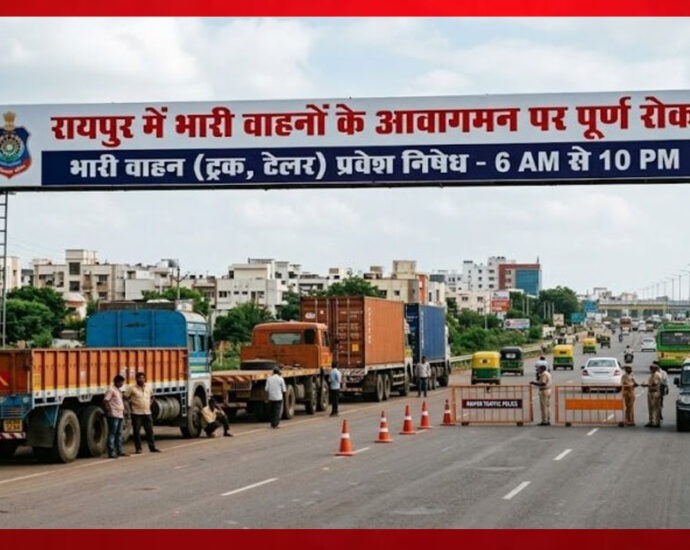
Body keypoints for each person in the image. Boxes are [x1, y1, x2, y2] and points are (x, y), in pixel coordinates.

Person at [123, 371, 161, 453]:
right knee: (137, 432)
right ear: (136, 379)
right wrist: (128, 407)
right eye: (139, 378)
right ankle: (138, 448)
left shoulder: (148, 387)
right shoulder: (132, 388)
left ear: (145, 379)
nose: (141, 380)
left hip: (147, 412)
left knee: (150, 431)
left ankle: (152, 447)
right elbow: (125, 398)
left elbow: (152, 397)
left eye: (142, 378)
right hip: (136, 413)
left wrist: (149, 403)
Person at [103, 374, 128, 458]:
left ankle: (120, 450)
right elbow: (106, 401)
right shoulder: (111, 390)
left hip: (120, 414)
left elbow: (120, 401)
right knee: (113, 433)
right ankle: (111, 452)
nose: (122, 384)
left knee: (119, 433)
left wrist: (124, 410)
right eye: (121, 382)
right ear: (116, 382)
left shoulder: (118, 390)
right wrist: (109, 411)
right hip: (114, 414)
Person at [641, 363, 663, 428]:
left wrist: (646, 385)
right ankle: (651, 421)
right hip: (651, 393)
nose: (650, 369)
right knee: (650, 408)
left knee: (656, 408)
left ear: (655, 369)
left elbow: (654, 384)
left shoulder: (657, 375)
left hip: (655, 393)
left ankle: (656, 422)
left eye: (652, 368)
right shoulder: (652, 375)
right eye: (650, 368)